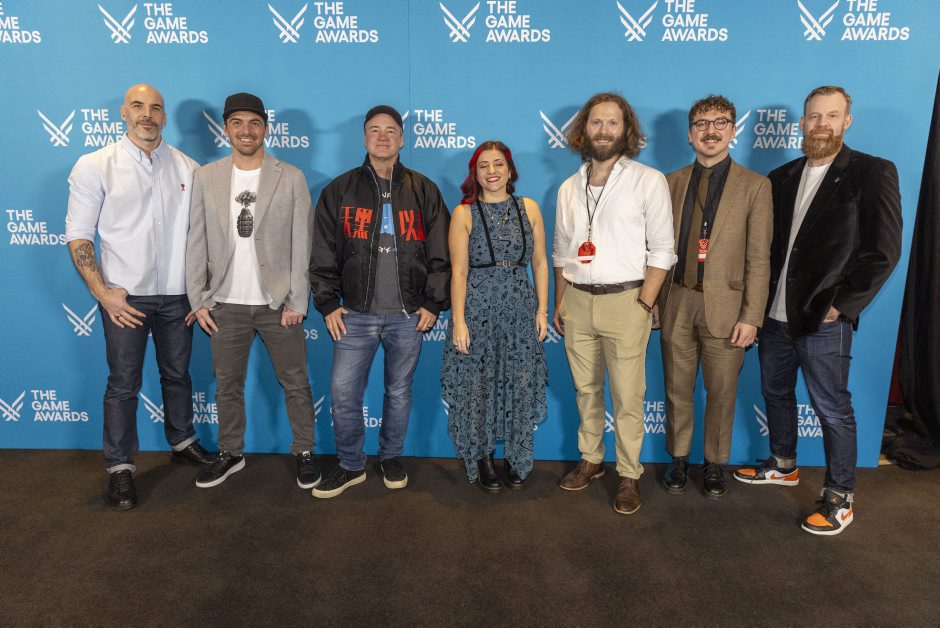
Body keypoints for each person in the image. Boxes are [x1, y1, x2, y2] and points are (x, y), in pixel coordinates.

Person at [733, 86, 902, 536]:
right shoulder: (782, 176)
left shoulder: (872, 172)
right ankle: (783, 463)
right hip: (774, 315)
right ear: (802, 123)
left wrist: (840, 305)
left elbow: (884, 252)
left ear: (847, 121)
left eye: (831, 115)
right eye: (813, 116)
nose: (821, 124)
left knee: (832, 408)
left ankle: (840, 497)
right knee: (775, 392)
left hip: (823, 319)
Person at [66, 83, 215, 511]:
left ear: (164, 117)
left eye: (155, 108)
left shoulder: (189, 167)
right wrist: (102, 293)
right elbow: (79, 234)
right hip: (124, 299)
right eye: (138, 106)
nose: (147, 114)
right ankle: (119, 467)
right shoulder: (95, 165)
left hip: (178, 295)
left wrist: (200, 292)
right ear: (123, 113)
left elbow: (202, 237)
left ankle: (182, 440)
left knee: (178, 374)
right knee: (123, 383)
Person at [310, 105, 451, 498]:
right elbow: (322, 251)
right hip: (354, 315)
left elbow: (441, 252)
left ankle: (390, 457)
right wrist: (327, 303)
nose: (383, 136)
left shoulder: (424, 189)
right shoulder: (339, 190)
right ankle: (350, 464)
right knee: (342, 394)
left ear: (402, 139)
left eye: (391, 130)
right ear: (364, 138)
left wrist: (433, 303)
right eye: (374, 129)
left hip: (408, 316)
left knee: (399, 392)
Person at [186, 92, 318, 490]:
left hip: (278, 304)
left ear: (265, 129)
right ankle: (231, 453)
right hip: (224, 304)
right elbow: (196, 239)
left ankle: (305, 450)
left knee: (295, 381)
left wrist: (297, 300)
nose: (246, 130)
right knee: (227, 385)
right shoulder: (206, 176)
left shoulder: (290, 177)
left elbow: (303, 244)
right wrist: (199, 299)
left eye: (254, 123)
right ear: (226, 129)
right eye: (238, 123)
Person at [553, 92, 676, 515]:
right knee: (586, 390)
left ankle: (628, 473)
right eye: (595, 122)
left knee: (627, 396)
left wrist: (645, 301)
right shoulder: (569, 188)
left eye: (612, 123)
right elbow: (562, 252)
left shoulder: (648, 180)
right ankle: (591, 460)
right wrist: (560, 302)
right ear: (583, 130)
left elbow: (663, 249)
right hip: (577, 301)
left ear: (626, 131)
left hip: (627, 300)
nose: (603, 130)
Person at [656, 95, 772, 499]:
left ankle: (713, 463)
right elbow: (654, 249)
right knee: (676, 388)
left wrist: (752, 316)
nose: (711, 130)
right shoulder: (668, 183)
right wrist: (653, 302)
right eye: (702, 123)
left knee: (721, 392)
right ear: (690, 134)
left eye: (720, 122)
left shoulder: (755, 186)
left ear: (733, 131)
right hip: (677, 300)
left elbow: (759, 258)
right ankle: (678, 458)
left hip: (728, 307)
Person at [440, 141, 549, 493]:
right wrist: (459, 321)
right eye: (484, 165)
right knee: (479, 386)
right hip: (477, 310)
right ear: (475, 172)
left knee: (519, 382)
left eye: (498, 164)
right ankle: (483, 458)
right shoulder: (463, 214)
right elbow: (459, 272)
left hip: (520, 308)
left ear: (509, 169)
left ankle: (517, 457)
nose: (492, 171)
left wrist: (542, 311)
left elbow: (540, 264)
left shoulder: (529, 208)